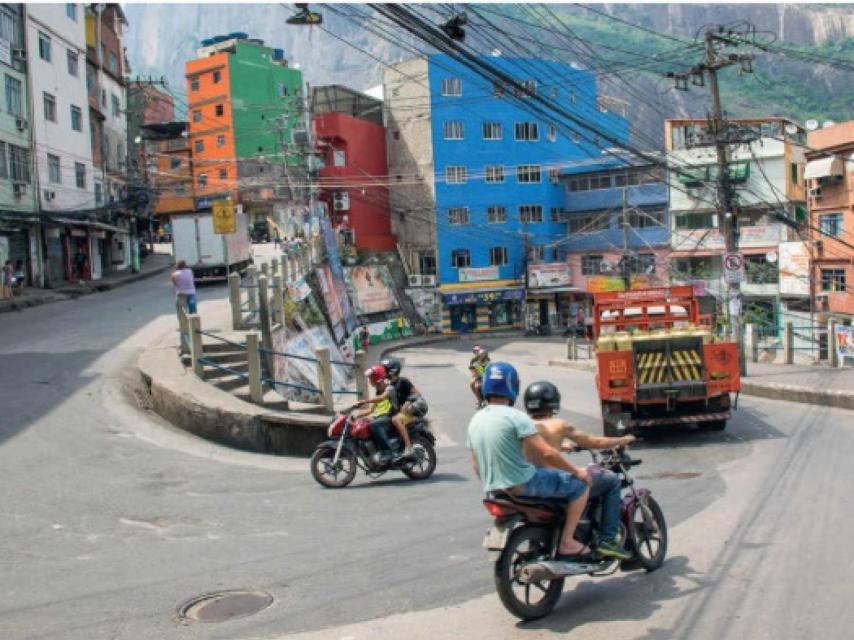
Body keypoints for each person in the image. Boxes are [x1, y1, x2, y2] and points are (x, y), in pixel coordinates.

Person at [467, 362, 606, 560]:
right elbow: (548, 453)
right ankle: (567, 542)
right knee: (580, 486)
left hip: (496, 488)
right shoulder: (516, 417)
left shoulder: (476, 420)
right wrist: (577, 472)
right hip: (523, 483)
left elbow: (475, 462)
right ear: (512, 387)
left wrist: (494, 483)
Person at [523, 380, 633, 560]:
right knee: (611, 481)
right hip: (555, 482)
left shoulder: (523, 424)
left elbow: (540, 445)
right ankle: (608, 540)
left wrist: (561, 445)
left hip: (533, 482)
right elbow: (594, 442)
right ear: (553, 403)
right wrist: (622, 440)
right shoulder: (559, 424)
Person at [381, 356, 426, 460]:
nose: (383, 373)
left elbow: (417, 393)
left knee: (395, 419)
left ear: (392, 371)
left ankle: (408, 447)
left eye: (385, 370)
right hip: (401, 413)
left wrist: (408, 402)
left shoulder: (403, 381)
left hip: (410, 412)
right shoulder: (389, 385)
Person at [355, 364, 397, 462]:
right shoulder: (378, 391)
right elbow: (370, 410)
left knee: (374, 425)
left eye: (371, 378)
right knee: (365, 424)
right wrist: (356, 415)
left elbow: (382, 398)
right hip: (382, 417)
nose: (370, 381)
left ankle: (388, 452)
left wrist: (365, 401)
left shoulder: (389, 388)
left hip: (392, 417)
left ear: (378, 378)